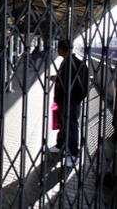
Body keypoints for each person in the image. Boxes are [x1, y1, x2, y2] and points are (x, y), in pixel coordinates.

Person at [49, 39, 88, 167]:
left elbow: (69, 82)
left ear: (61, 50)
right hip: (67, 102)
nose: (57, 51)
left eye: (58, 49)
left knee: (71, 127)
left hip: (70, 103)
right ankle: (60, 145)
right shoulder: (73, 62)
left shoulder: (71, 64)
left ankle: (73, 154)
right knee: (64, 124)